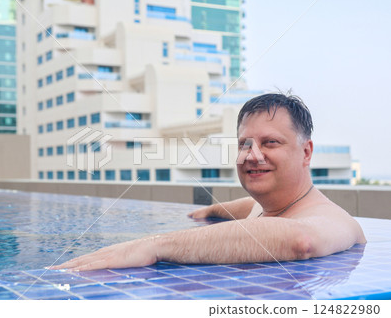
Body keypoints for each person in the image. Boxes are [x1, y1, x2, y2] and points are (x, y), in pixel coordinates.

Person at [51, 93, 366, 271]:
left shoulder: (335, 220)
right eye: (244, 144)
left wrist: (157, 245)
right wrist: (211, 210)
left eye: (270, 143)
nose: (252, 155)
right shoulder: (267, 208)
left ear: (306, 152)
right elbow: (250, 208)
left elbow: (301, 241)